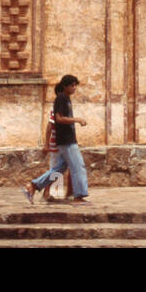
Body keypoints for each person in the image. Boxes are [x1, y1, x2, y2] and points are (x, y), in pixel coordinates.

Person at [24, 74, 90, 204]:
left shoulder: (66, 99)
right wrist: (77, 120)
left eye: (75, 85)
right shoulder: (61, 99)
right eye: (72, 85)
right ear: (65, 86)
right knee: (78, 166)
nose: (74, 88)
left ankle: (33, 186)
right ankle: (79, 196)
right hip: (66, 141)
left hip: (67, 140)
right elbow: (58, 119)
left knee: (58, 169)